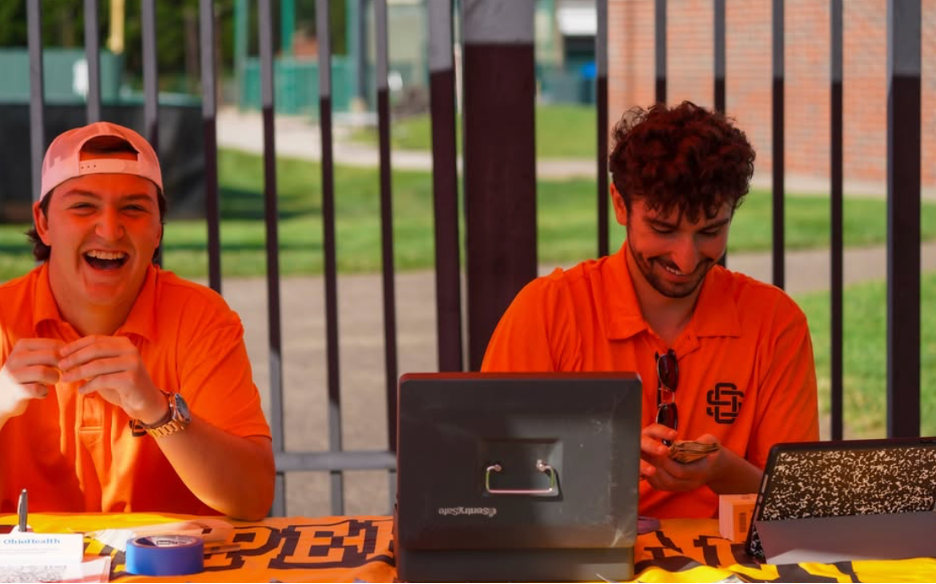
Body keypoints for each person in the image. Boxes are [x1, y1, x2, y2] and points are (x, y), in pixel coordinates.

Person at [482, 101, 819, 519]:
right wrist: (602, 461)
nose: (686, 258)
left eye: (710, 231)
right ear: (620, 205)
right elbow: (490, 484)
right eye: (663, 230)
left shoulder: (775, 321)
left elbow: (801, 508)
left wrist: (723, 470)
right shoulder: (547, 310)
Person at [0, 122, 274, 520]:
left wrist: (159, 412)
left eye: (133, 208)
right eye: (83, 206)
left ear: (159, 230)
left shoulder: (200, 317)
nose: (110, 230)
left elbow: (252, 499)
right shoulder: (5, 319)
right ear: (43, 223)